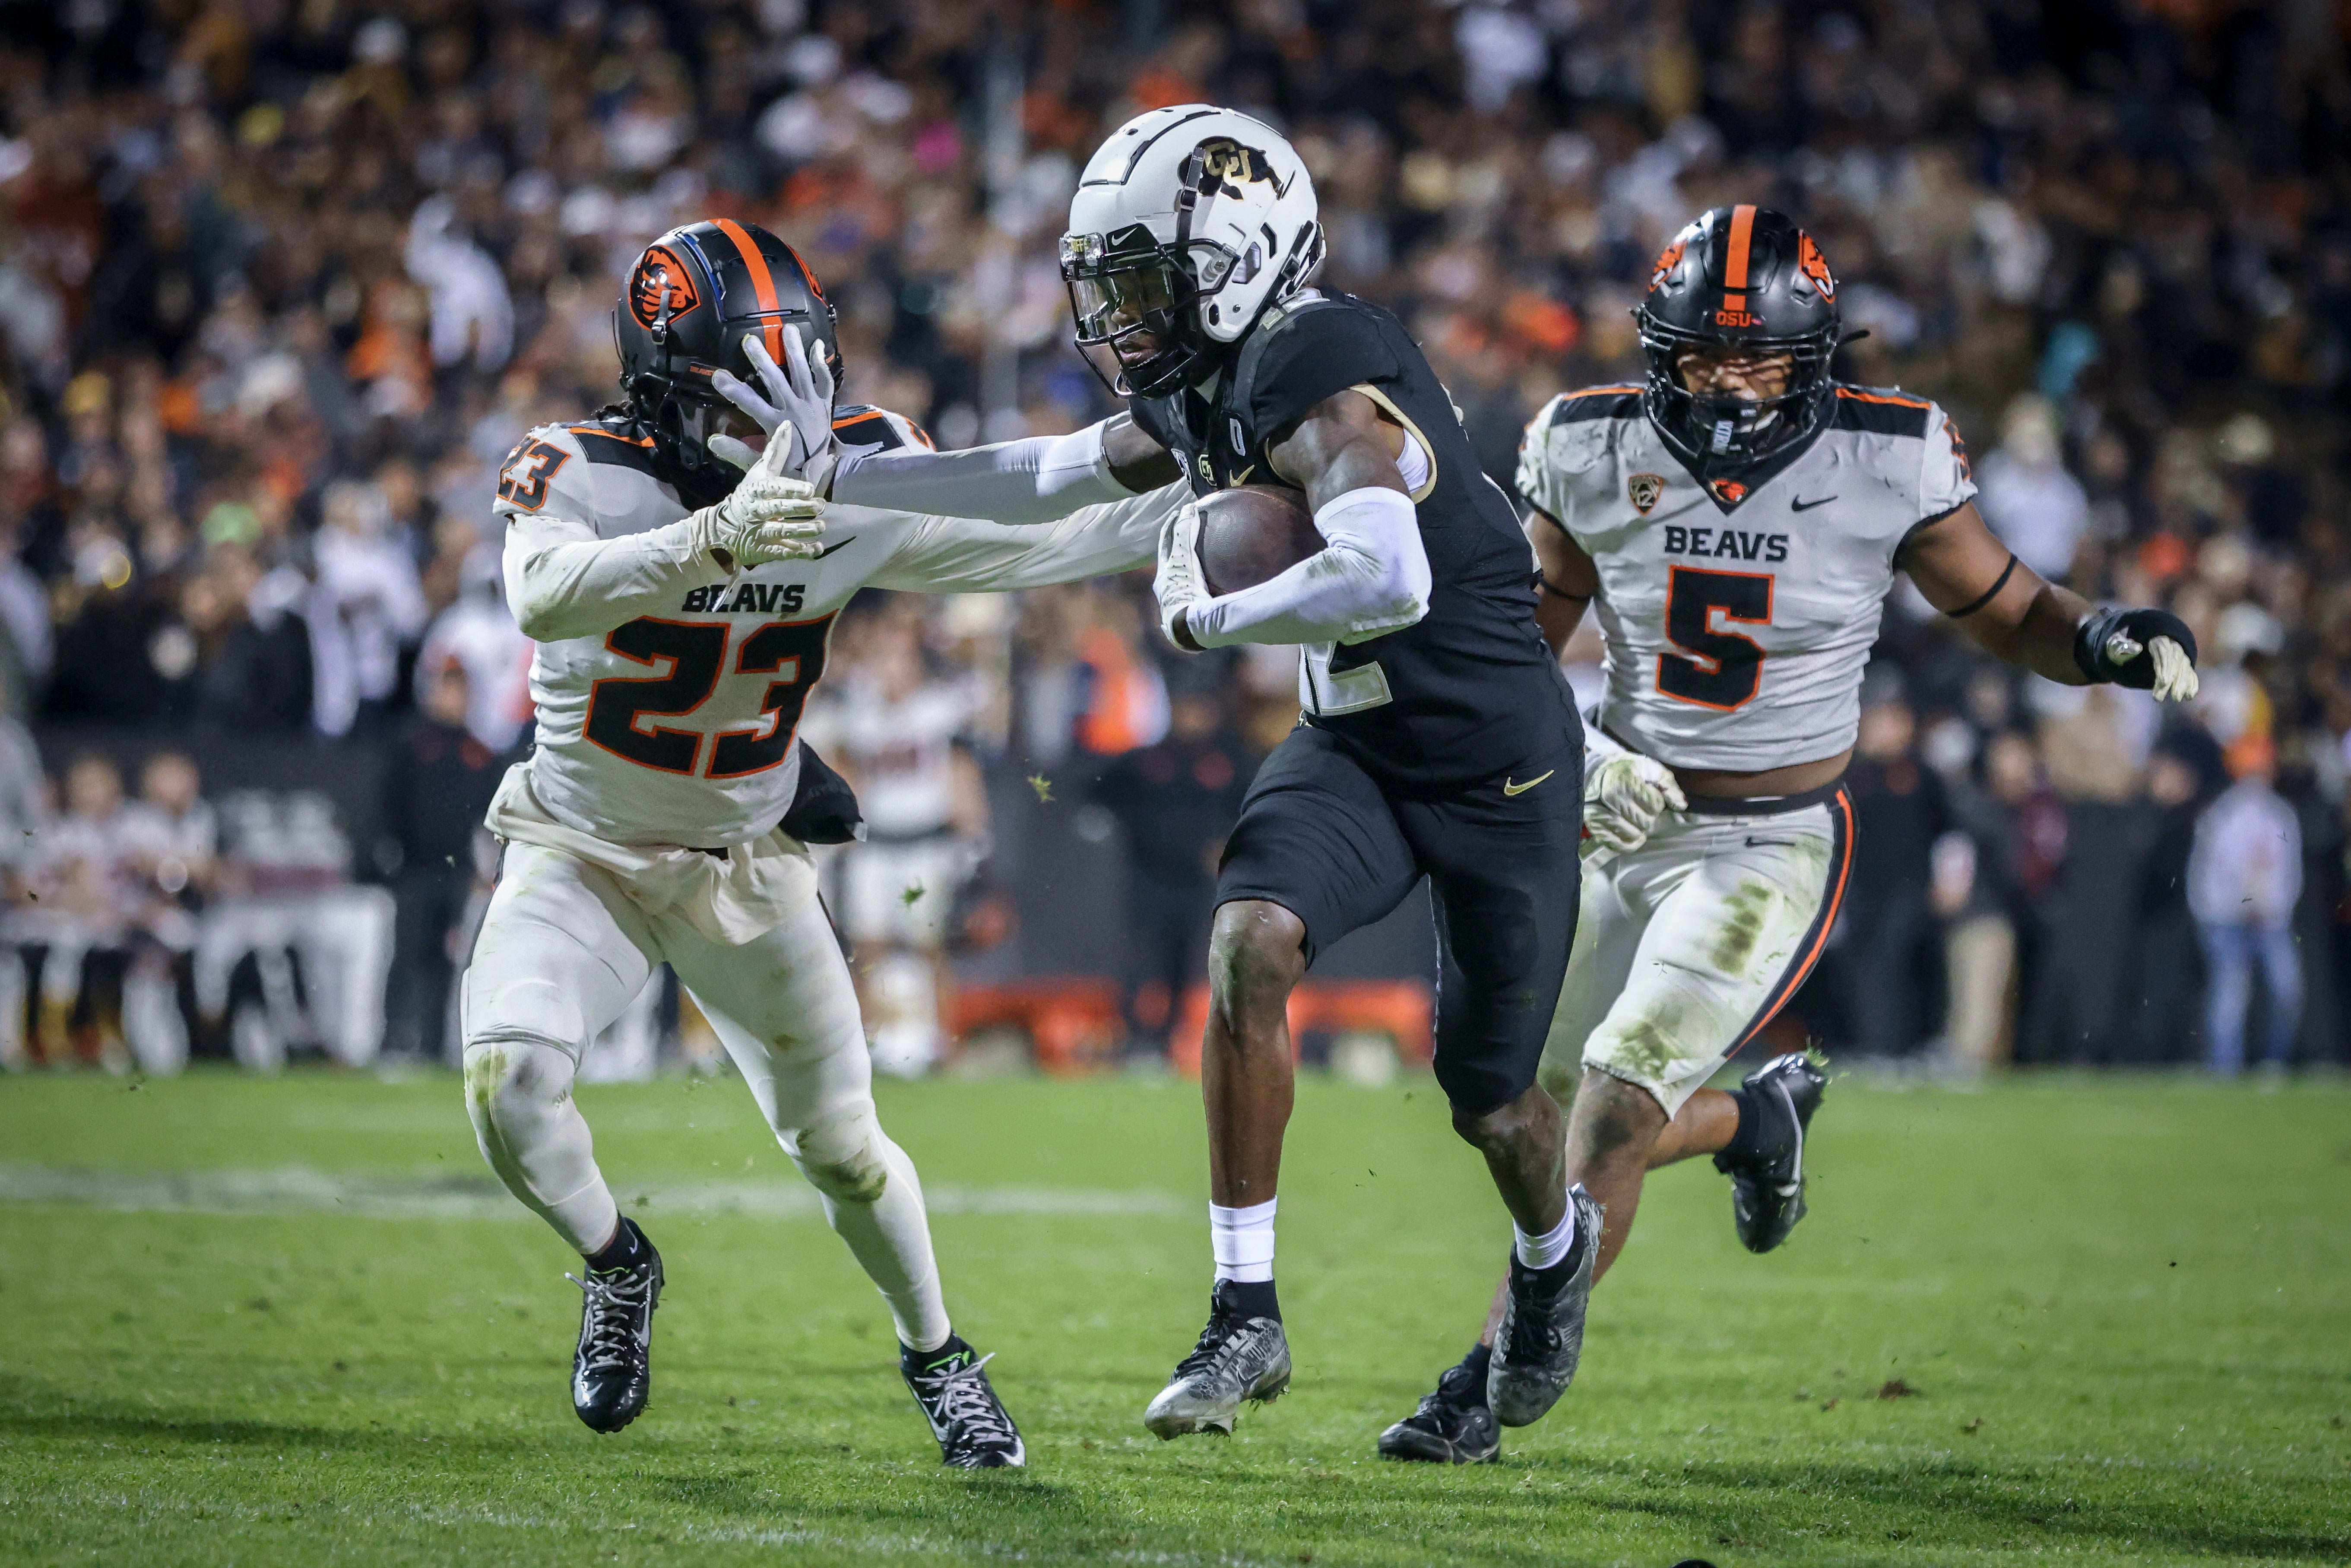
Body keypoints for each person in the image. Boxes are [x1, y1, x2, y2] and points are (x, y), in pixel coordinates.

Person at [755, 105, 1589, 1444]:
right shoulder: (1217, 373)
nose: (1118, 318)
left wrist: (1211, 617)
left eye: (1143, 282)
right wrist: (859, 472)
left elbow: (1390, 569)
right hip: (1359, 746)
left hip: (1498, 767)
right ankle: (1242, 1308)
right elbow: (1052, 473)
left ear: (1240, 258)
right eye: (1108, 287)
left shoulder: (1317, 362)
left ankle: (1551, 1255)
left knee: (1489, 1102)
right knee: (1247, 944)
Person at [1378, 205, 2205, 1464]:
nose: (1723, 386)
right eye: (1701, 357)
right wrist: (1583, 757)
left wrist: (2097, 639)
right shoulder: (1586, 443)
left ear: (1811, 359)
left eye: (1756, 360)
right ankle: (1754, 1122)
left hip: (1762, 846)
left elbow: (2005, 604)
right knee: (1522, 1117)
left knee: (1609, 1105)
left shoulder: (1889, 455)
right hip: (1614, 821)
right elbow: (1511, 657)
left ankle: (1481, 1382)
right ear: (1655, 349)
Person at [465, 218, 1185, 1467]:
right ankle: (617, 1260)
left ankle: (939, 1354)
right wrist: (719, 536)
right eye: (736, 393)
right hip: (581, 845)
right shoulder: (573, 465)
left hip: (744, 855)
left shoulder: (849, 469)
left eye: (789, 383)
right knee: (508, 1083)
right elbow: (543, 593)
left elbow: (1040, 537)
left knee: (844, 1148)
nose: (769, 425)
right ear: (665, 381)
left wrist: (1215, 483)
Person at [1092, 678, 1252, 1063]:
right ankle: (1132, 1036)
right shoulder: (1149, 760)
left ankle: (1167, 1038)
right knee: (1140, 958)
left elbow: (1250, 806)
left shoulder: (1228, 762)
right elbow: (1101, 789)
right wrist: (1131, 829)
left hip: (1193, 879)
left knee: (1183, 959)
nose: (1195, 719)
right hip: (1148, 875)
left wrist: (1227, 842)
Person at [383, 661, 502, 1062]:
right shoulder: (410, 748)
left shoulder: (481, 755)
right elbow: (390, 809)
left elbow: (489, 821)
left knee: (450, 967)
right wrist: (391, 859)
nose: (453, 698)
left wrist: (482, 872)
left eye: (460, 689)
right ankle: (397, 1042)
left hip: (460, 879)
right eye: (446, 688)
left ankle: (436, 1047)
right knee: (409, 958)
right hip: (416, 873)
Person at [2187, 747, 2303, 1074]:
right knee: (2231, 994)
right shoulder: (2222, 814)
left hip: (2271, 920)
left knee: (2287, 989)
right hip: (2226, 919)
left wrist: (2271, 907)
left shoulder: (2281, 814)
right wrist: (2231, 908)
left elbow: (2289, 873)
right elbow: (2209, 875)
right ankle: (2225, 1068)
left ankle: (2274, 1062)